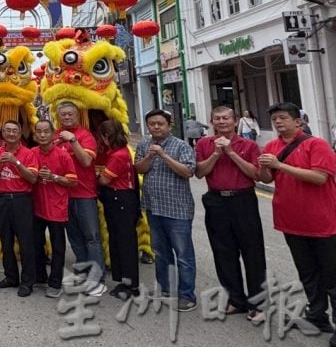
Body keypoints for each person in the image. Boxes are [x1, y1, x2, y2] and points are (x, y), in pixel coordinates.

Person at [259, 102, 336, 343]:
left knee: (332, 274)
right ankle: (317, 314)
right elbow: (266, 178)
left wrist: (280, 164)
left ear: (298, 121)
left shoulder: (317, 144)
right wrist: (263, 167)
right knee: (308, 272)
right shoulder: (272, 146)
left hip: (323, 222)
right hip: (291, 221)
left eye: (283, 118)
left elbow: (319, 177)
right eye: (275, 120)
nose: (278, 123)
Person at [194, 106, 265, 323]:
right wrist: (217, 153)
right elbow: (199, 172)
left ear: (235, 122)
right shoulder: (204, 144)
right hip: (216, 200)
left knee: (252, 252)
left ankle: (258, 303)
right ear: (212, 122)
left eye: (226, 118)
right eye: (217, 119)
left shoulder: (249, 145)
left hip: (243, 199)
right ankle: (236, 299)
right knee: (223, 252)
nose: (222, 122)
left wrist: (231, 152)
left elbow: (256, 174)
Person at [135, 108, 198, 312]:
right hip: (154, 207)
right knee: (160, 252)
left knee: (183, 254)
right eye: (152, 124)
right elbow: (139, 169)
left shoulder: (180, 145)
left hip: (177, 209)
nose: (155, 127)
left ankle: (187, 295)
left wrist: (163, 155)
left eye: (160, 123)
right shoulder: (145, 144)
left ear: (169, 125)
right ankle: (165, 288)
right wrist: (150, 157)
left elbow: (188, 171)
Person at [54, 101, 106, 296]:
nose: (67, 117)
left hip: (84, 194)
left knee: (92, 238)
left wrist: (73, 141)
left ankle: (97, 280)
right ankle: (83, 272)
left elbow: (85, 161)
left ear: (77, 115)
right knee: (75, 238)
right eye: (63, 115)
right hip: (63, 195)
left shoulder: (84, 135)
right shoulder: (56, 136)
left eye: (70, 114)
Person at [0, 120, 39, 296]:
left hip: (22, 200)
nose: (11, 133)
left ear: (20, 133)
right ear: (3, 133)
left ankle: (27, 282)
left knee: (25, 241)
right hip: (2, 199)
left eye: (14, 131)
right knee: (6, 240)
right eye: (7, 130)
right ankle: (11, 276)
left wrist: (16, 162)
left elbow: (33, 179)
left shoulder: (28, 153)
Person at [95, 119, 140, 302]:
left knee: (124, 243)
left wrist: (96, 176)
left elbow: (104, 180)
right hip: (119, 200)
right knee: (118, 240)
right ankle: (124, 281)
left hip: (120, 199)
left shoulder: (118, 155)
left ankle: (130, 283)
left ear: (107, 136)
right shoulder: (118, 152)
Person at [32, 119, 77, 299]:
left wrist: (54, 177)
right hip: (36, 206)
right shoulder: (32, 153)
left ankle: (55, 282)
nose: (42, 135)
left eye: (46, 132)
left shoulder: (63, 155)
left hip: (57, 207)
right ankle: (40, 276)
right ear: (35, 134)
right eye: (39, 132)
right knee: (36, 244)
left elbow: (73, 181)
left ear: (53, 134)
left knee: (58, 248)